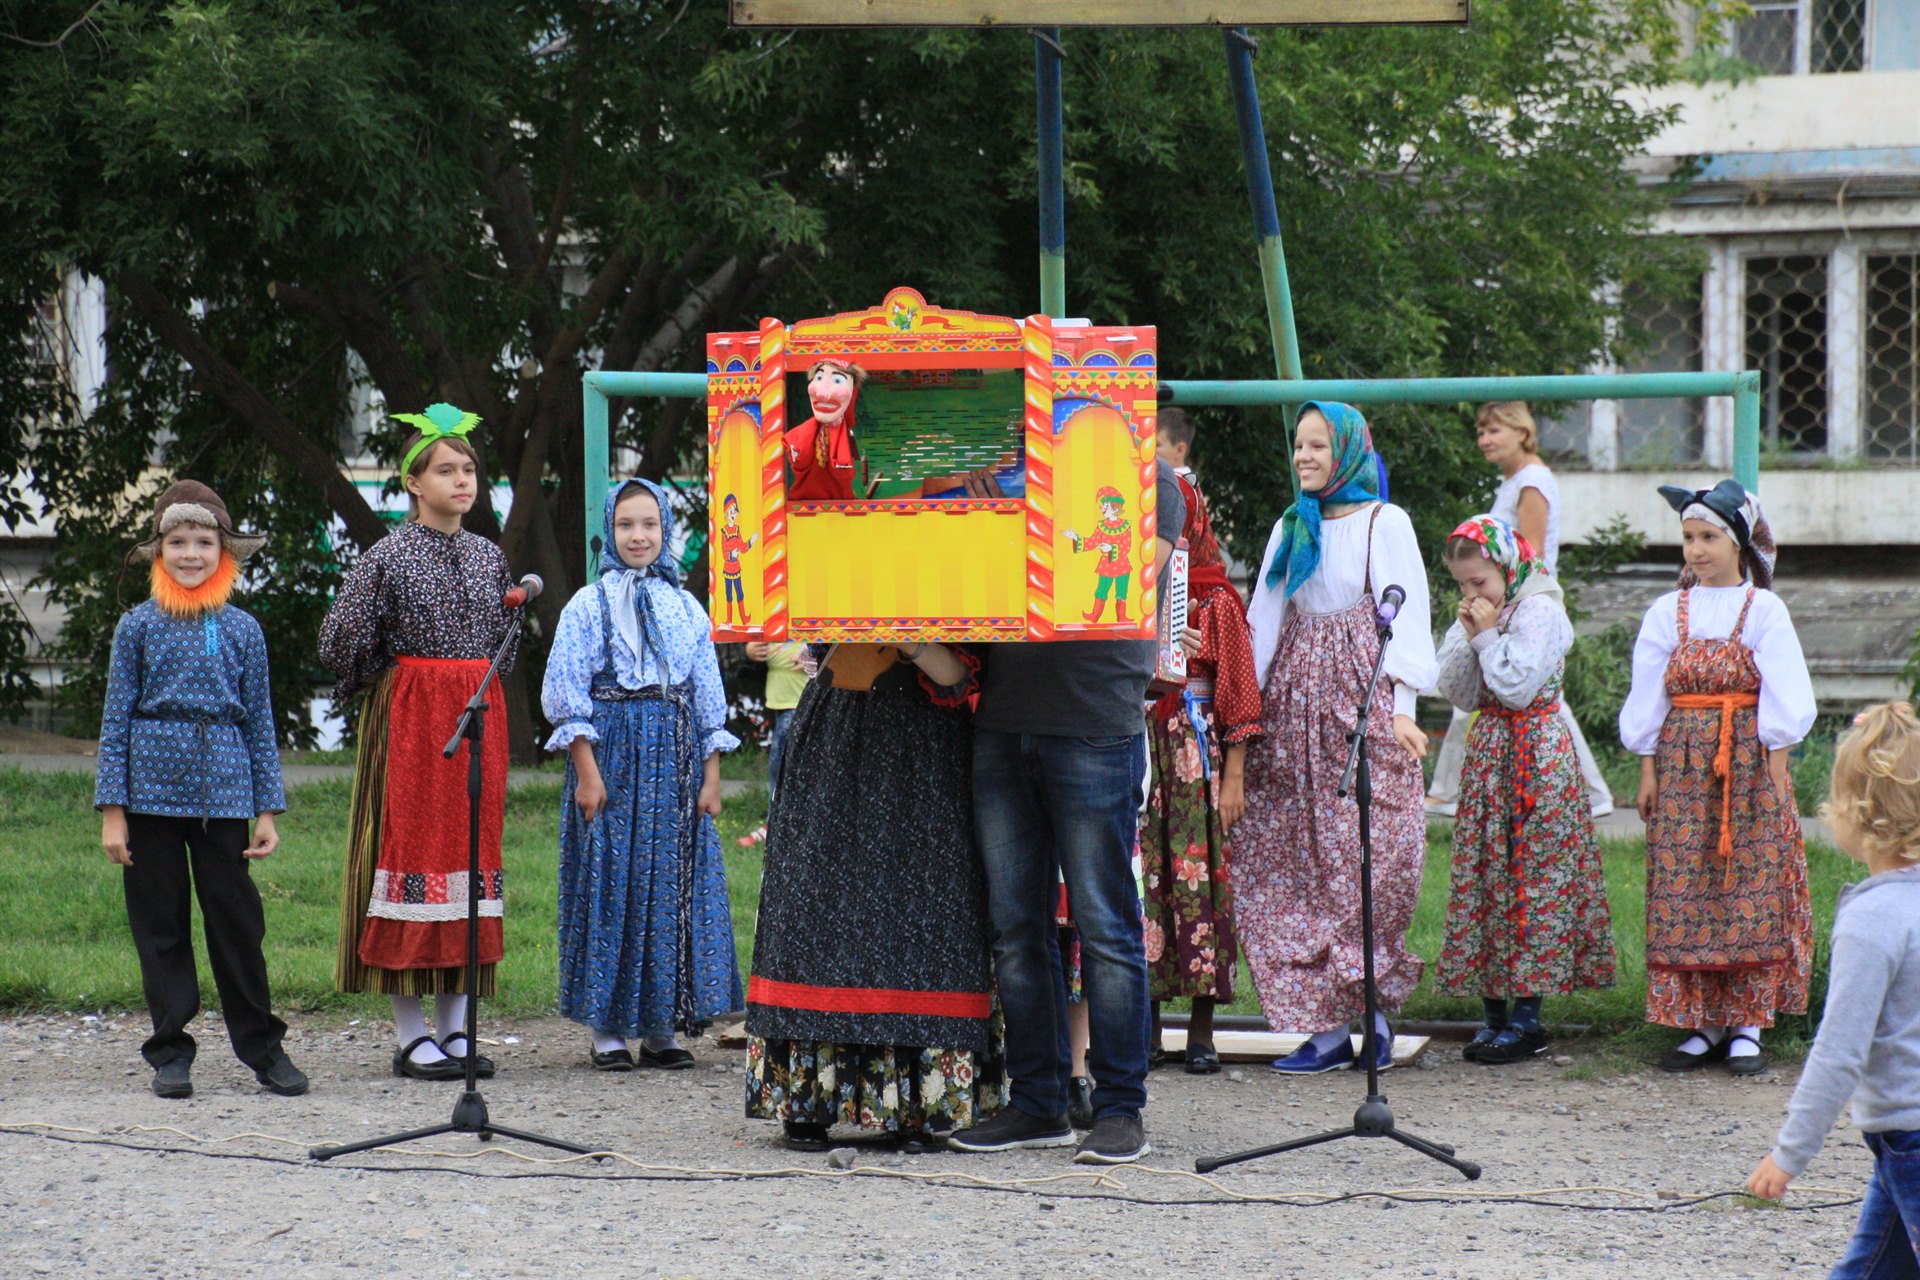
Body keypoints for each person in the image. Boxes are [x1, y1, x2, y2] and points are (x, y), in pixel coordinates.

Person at [947, 458, 1185, 1166]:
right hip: (1002, 719)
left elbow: (1118, 579)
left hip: (1094, 720)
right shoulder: (1000, 465)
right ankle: (1038, 1101)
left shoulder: (1147, 475)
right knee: (1016, 928)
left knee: (1104, 924)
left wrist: (1006, 525)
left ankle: (1119, 1109)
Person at [1237, 401, 1435, 1075]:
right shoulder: (1292, 524)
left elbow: (1405, 614)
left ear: (1347, 450)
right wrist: (1244, 714)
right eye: (1299, 445)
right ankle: (1323, 1029)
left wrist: (1403, 708)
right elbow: (1265, 620)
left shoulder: (1385, 522)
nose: (1304, 456)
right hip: (1294, 709)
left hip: (1363, 705)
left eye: (1318, 445)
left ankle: (1370, 1010)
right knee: (1301, 859)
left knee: (1375, 857)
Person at [319, 404, 515, 1082]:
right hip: (413, 722)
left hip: (478, 715)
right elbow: (339, 641)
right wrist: (396, 683)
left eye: (469, 470)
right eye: (446, 470)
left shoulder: (490, 556)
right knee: (409, 855)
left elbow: (506, 646)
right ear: (412, 482)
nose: (462, 481)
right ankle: (410, 1035)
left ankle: (456, 1027)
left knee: (468, 857)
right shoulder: (389, 556)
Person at [743, 637, 998, 1152]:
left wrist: (909, 640)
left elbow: (958, 677)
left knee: (922, 916)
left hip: (926, 747)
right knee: (815, 910)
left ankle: (917, 1105)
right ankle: (810, 1100)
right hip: (834, 737)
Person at [95, 481, 307, 1100]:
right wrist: (113, 812)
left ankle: (263, 1048)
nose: (191, 554)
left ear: (224, 552)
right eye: (178, 542)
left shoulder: (243, 629)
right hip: (148, 796)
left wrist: (267, 809)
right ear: (160, 551)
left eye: (204, 542)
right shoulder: (137, 625)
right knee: (160, 925)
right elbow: (115, 720)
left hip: (226, 794)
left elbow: (260, 721)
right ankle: (170, 1051)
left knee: (237, 924)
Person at [542, 479, 741, 1071]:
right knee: (612, 884)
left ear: (665, 530)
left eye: (649, 524)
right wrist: (587, 774)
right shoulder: (588, 604)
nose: (638, 536)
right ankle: (607, 1029)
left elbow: (706, 696)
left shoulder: (686, 607)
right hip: (613, 757)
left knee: (671, 888)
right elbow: (568, 693)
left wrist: (711, 776)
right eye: (626, 525)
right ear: (610, 530)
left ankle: (661, 1026)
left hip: (676, 761)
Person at [1619, 479, 1813, 1075]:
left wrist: (1775, 768)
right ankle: (1702, 1022)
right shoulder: (1668, 611)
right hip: (1681, 767)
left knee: (1748, 883)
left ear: (1737, 542)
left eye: (1708, 537)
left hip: (1748, 762)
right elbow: (1649, 696)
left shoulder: (1763, 608)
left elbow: (1785, 690)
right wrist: (1647, 768)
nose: (1696, 549)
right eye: (1688, 538)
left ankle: (1747, 1023)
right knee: (1688, 887)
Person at [1432, 515, 1615, 1065]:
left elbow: (1515, 687)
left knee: (1535, 880)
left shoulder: (1541, 609)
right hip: (1490, 754)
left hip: (1536, 754)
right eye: (1463, 585)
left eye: (1480, 582)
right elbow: (1460, 692)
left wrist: (1487, 637)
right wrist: (1471, 636)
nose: (1473, 594)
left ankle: (1528, 1019)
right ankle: (1492, 1015)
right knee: (1487, 875)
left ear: (1506, 566)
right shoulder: (1481, 614)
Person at [1747, 703, 1920, 1277]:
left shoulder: (1872, 921)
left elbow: (1839, 1052)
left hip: (1909, 1138)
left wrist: (1789, 1154)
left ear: (1857, 813)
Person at [1428, 402, 1612, 818]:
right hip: (1506, 598)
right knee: (1535, 697)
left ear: (1522, 432)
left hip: (1523, 599)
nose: (1484, 440)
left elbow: (1530, 548)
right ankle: (1592, 792)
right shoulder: (1512, 480)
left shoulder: (1532, 480)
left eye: (1494, 431)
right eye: (1481, 432)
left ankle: (1446, 790)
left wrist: (1509, 609)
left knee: (1536, 697)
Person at [1141, 426, 1259, 1076]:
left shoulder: (1216, 601)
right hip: (1144, 754)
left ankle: (1203, 1032)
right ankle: (1148, 1029)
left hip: (1194, 759)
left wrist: (1233, 777)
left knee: (1200, 884)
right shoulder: (1135, 595)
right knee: (1148, 884)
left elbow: (1238, 694)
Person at [737, 638, 806, 848]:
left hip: (802, 703)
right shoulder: (773, 620)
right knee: (780, 769)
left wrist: (818, 654)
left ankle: (779, 828)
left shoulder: (817, 619)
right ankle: (778, 826)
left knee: (785, 769)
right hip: (780, 703)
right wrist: (748, 652)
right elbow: (746, 635)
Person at [785, 359, 872, 501]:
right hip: (805, 502)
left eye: (837, 380)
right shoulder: (807, 431)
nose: (822, 394)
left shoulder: (844, 428)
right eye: (819, 377)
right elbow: (800, 459)